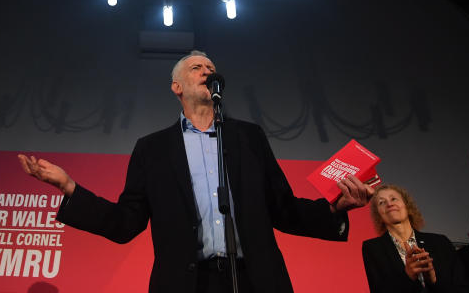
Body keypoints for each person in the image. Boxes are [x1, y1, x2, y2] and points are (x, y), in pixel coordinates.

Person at [19, 50, 373, 293]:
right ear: (177, 87)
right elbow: (126, 223)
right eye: (197, 68)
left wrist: (336, 207)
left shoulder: (248, 137)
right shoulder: (152, 149)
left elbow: (282, 207)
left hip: (255, 281)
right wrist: (69, 187)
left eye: (211, 68)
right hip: (188, 284)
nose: (208, 72)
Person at [361, 184, 469, 292]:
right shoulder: (372, 248)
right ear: (378, 215)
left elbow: (463, 288)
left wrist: (433, 280)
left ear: (407, 206)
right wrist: (408, 276)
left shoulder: (440, 242)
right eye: (381, 202)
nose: (389, 204)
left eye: (394, 199)